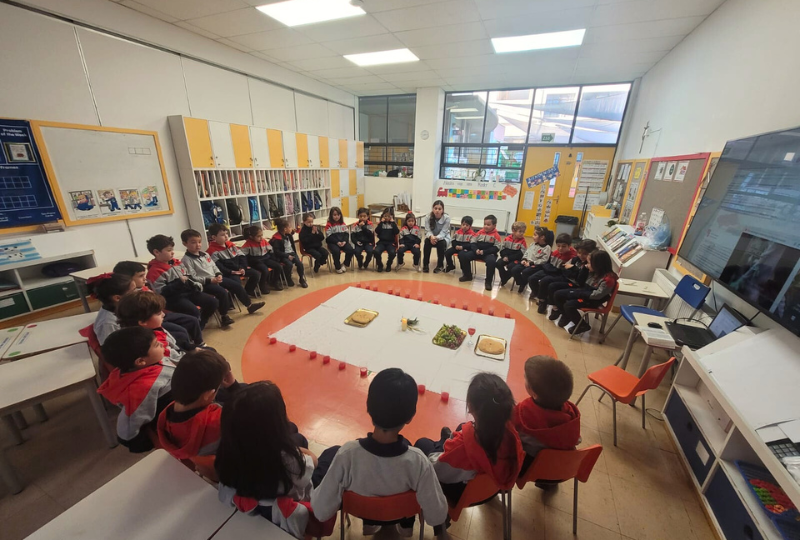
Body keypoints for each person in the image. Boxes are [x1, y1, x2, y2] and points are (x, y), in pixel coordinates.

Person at [310, 368, 448, 537]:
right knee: (407, 445)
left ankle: (371, 523)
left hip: (363, 513)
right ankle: (406, 526)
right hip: (401, 513)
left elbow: (320, 511)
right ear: (410, 416)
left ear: (369, 407)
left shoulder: (347, 455)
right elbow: (437, 515)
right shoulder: (419, 462)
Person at [414, 373, 523, 525]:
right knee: (462, 427)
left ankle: (444, 441)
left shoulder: (462, 449)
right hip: (494, 486)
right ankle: (446, 439)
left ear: (471, 407)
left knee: (422, 443)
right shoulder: (512, 434)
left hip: (461, 490)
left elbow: (436, 470)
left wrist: (447, 448)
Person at [216, 382, 321, 539]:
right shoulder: (288, 461)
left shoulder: (227, 452)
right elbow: (312, 462)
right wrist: (294, 449)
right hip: (292, 499)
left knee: (295, 433)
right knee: (330, 452)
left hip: (254, 503)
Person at [156, 349, 245, 460]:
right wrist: (233, 387)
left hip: (195, 446)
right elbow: (248, 415)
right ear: (208, 394)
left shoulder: (166, 414)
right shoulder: (222, 421)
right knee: (245, 390)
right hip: (223, 450)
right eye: (217, 388)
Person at [97, 327, 174, 452]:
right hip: (172, 412)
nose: (161, 344)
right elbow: (130, 423)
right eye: (156, 344)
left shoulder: (147, 362)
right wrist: (136, 441)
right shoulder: (141, 390)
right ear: (140, 361)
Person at [512, 356, 580, 482]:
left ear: (534, 393)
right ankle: (549, 484)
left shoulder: (523, 412)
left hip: (532, 470)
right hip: (563, 470)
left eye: (525, 378)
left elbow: (509, 430)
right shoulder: (571, 414)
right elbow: (577, 440)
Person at [181, 229, 265, 328]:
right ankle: (224, 316)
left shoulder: (205, 254)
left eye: (199, 242)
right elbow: (193, 277)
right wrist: (209, 280)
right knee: (222, 292)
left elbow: (214, 266)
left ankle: (249, 306)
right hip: (205, 283)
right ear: (184, 243)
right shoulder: (186, 260)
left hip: (215, 278)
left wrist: (218, 274)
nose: (198, 245)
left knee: (236, 285)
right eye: (193, 242)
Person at [114, 261, 205, 346]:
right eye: (141, 276)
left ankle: (198, 343)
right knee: (181, 332)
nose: (145, 278)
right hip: (152, 319)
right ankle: (187, 349)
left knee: (192, 320)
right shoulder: (129, 298)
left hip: (159, 314)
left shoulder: (143, 288)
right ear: (128, 279)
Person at [146, 234, 218, 329]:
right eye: (169, 250)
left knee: (212, 302)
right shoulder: (154, 271)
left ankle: (200, 324)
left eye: (172, 249)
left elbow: (188, 276)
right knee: (193, 311)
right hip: (173, 298)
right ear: (156, 252)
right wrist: (179, 283)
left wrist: (194, 284)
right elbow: (161, 292)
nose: (172, 252)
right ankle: (194, 327)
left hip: (188, 292)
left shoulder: (177, 262)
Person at [550, 250, 618, 335]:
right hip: (584, 292)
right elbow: (580, 282)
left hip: (592, 300)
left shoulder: (608, 279)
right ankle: (566, 315)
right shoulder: (593, 271)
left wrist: (578, 293)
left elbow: (597, 295)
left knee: (569, 305)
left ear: (598, 265)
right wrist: (584, 269)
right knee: (558, 294)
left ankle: (582, 325)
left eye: (589, 263)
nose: (587, 265)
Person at [116, 290, 188, 364]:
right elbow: (176, 359)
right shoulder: (155, 343)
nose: (163, 314)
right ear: (143, 322)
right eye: (159, 313)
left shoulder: (151, 328)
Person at [534, 239, 596, 312]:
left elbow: (580, 280)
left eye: (585, 254)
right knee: (545, 280)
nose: (581, 255)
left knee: (553, 286)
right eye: (579, 253)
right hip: (567, 277)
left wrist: (573, 269)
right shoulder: (576, 259)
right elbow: (564, 269)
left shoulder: (589, 265)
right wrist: (573, 272)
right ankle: (542, 301)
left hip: (575, 284)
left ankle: (555, 308)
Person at [206, 223, 261, 297]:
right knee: (236, 282)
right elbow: (219, 267)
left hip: (239, 268)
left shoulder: (231, 244)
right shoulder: (211, 251)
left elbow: (242, 256)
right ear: (214, 237)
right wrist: (232, 272)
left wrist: (242, 267)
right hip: (229, 272)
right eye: (222, 235)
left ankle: (248, 291)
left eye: (226, 233)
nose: (226, 236)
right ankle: (236, 296)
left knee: (256, 274)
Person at [87, 272, 136, 346]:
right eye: (133, 291)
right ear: (117, 298)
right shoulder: (107, 323)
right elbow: (110, 348)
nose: (138, 293)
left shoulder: (123, 307)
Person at [458, 215, 503, 291]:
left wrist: (484, 252)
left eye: (488, 225)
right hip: (477, 252)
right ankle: (467, 275)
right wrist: (476, 250)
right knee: (462, 255)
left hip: (488, 253)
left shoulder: (496, 235)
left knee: (491, 261)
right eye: (485, 224)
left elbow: (496, 248)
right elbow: (473, 242)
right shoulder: (479, 232)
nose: (486, 226)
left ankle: (488, 281)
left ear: (494, 226)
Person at [241, 225, 283, 293]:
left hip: (265, 258)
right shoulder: (248, 244)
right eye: (258, 236)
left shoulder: (263, 241)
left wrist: (274, 258)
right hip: (256, 261)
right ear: (251, 237)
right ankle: (262, 285)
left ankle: (274, 282)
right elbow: (242, 255)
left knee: (278, 266)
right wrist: (245, 265)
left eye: (261, 235)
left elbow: (270, 249)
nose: (261, 238)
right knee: (265, 270)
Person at [270, 218, 309, 288]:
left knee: (299, 263)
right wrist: (287, 256)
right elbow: (277, 252)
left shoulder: (288, 235)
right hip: (283, 255)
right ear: (285, 229)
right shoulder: (277, 238)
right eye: (290, 227)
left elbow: (292, 235)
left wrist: (292, 231)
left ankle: (301, 279)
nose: (291, 228)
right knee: (289, 264)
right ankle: (288, 278)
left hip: (292, 253)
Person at [512, 227, 552, 293]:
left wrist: (532, 263)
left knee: (525, 272)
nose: (533, 237)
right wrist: (524, 259)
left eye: (535, 235)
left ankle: (523, 284)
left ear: (542, 237)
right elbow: (527, 253)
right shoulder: (532, 244)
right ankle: (521, 282)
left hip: (536, 265)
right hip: (526, 262)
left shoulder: (547, 248)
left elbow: (544, 260)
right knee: (514, 269)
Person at [497, 222, 528, 287]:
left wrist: (509, 258)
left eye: (523, 232)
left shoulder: (523, 241)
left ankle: (505, 278)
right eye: (520, 231)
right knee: (498, 263)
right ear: (513, 231)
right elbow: (502, 249)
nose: (522, 233)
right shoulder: (507, 238)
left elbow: (521, 253)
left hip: (516, 259)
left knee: (511, 266)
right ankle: (504, 277)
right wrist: (505, 256)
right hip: (506, 257)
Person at [423, 200, 451, 273]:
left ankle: (440, 265)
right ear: (433, 209)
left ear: (442, 210)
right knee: (427, 242)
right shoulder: (428, 217)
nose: (437, 211)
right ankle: (425, 265)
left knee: (441, 244)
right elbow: (427, 230)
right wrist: (431, 237)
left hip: (443, 237)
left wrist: (436, 238)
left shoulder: (446, 218)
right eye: (435, 208)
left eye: (439, 209)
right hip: (432, 237)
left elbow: (444, 232)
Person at [325, 207, 353, 274]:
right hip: (333, 242)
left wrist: (344, 241)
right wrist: (337, 242)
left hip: (342, 242)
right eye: (334, 215)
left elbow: (346, 234)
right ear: (331, 216)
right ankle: (337, 266)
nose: (336, 216)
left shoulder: (342, 223)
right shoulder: (329, 225)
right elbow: (329, 237)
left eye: (338, 215)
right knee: (336, 251)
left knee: (350, 250)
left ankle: (345, 264)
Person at [374, 207, 399, 273]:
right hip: (381, 242)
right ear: (383, 216)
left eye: (389, 216)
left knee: (392, 252)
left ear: (392, 217)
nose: (387, 218)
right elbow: (377, 231)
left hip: (390, 242)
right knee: (376, 251)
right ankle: (380, 265)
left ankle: (389, 264)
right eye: (385, 216)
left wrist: (393, 223)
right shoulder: (380, 224)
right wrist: (381, 223)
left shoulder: (393, 224)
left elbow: (396, 232)